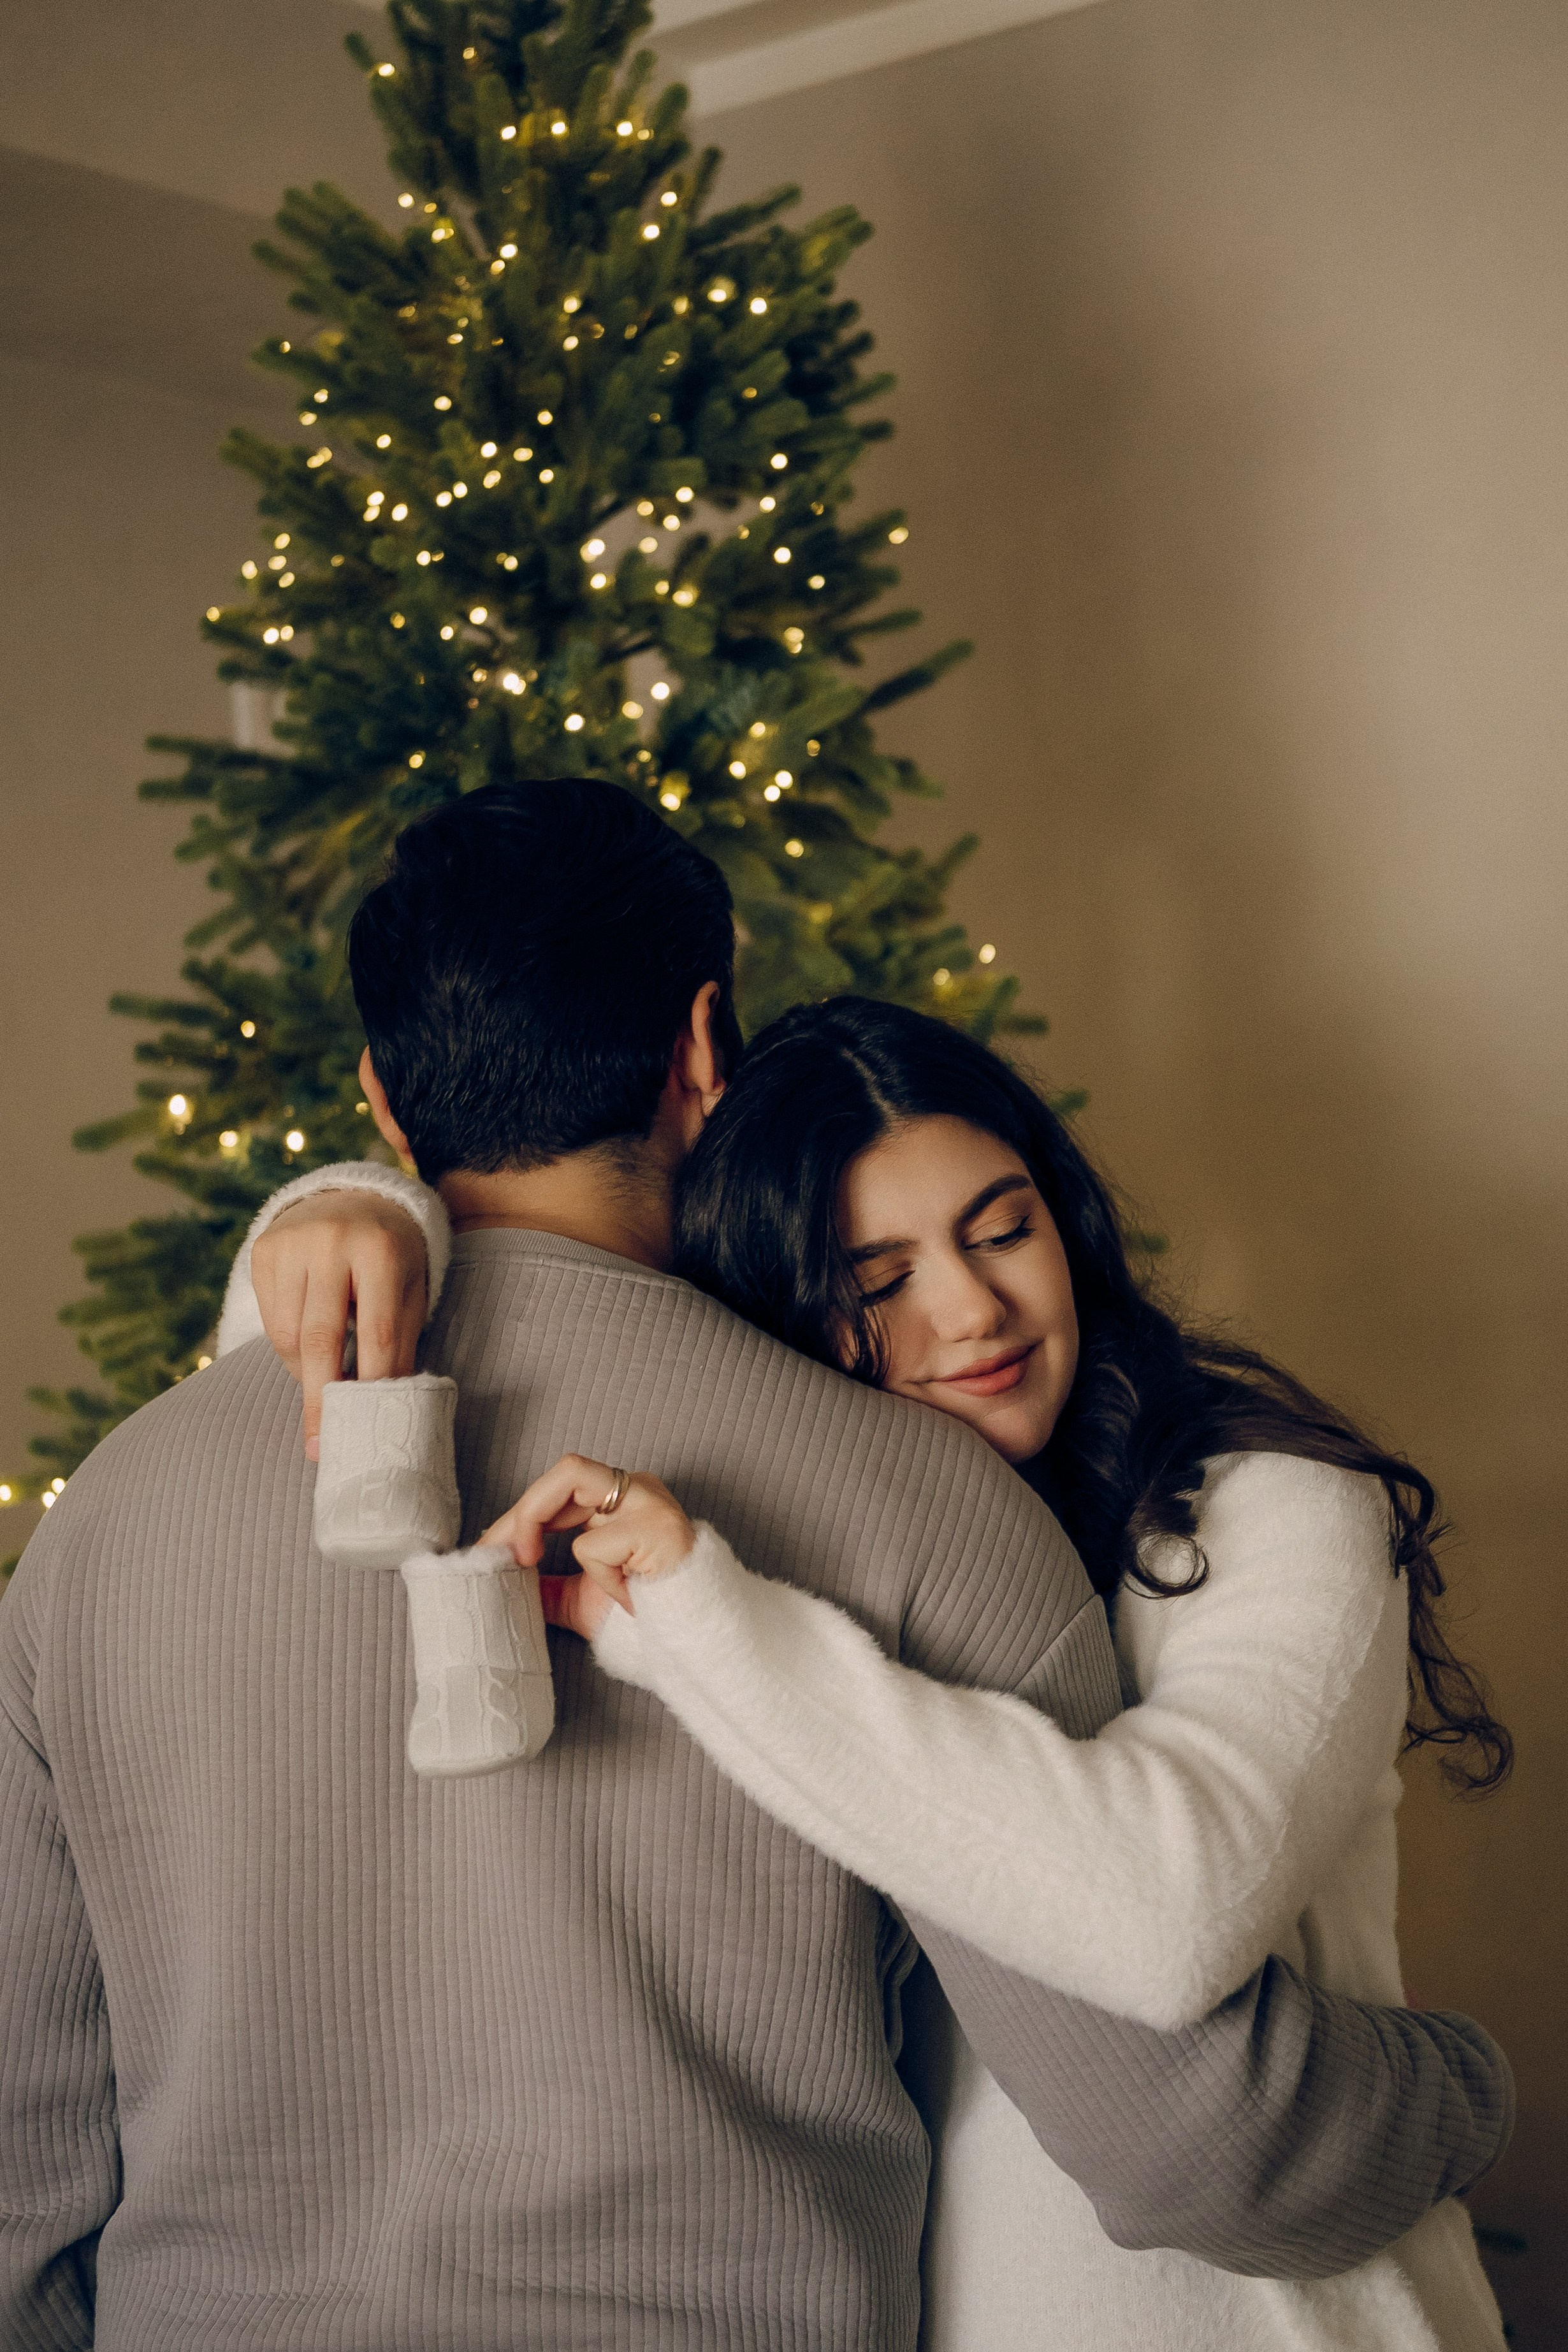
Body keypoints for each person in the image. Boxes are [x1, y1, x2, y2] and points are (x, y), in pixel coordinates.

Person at [1, 783, 1512, 2352]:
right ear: (706, 1054)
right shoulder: (917, 1501)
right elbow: (1201, 2149)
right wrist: (1472, 2087)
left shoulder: (101, 1525)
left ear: (385, 1101)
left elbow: (21, 2195)